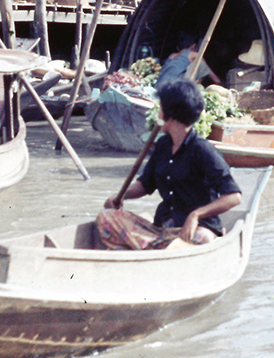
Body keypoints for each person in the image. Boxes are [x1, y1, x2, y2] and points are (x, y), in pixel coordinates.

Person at [97, 80, 242, 249]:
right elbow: (145, 184)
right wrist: (119, 197)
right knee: (106, 217)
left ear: (170, 116)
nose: (158, 114)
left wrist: (195, 215)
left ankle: (154, 249)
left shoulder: (202, 150)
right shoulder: (163, 145)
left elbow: (234, 197)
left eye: (161, 109)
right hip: (162, 229)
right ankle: (160, 248)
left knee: (202, 239)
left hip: (195, 230)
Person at [155, 32, 221, 88]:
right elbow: (215, 79)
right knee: (200, 65)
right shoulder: (194, 55)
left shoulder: (172, 55)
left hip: (158, 87)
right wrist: (223, 85)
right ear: (193, 46)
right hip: (171, 91)